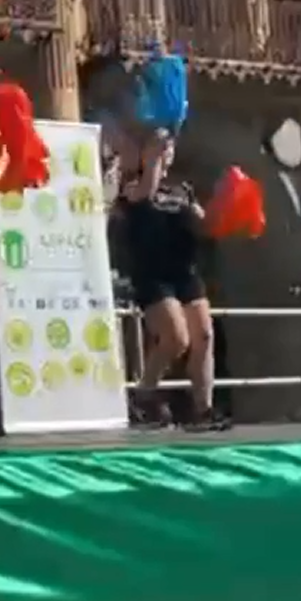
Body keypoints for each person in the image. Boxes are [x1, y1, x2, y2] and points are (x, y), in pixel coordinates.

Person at [114, 133, 228, 431]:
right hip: (153, 272)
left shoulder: (183, 189)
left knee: (203, 335)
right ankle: (144, 393)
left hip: (185, 270)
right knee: (176, 338)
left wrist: (226, 202)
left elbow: (205, 224)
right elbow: (145, 193)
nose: (168, 150)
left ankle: (203, 409)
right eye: (163, 146)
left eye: (171, 146)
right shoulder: (131, 185)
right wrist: (151, 158)